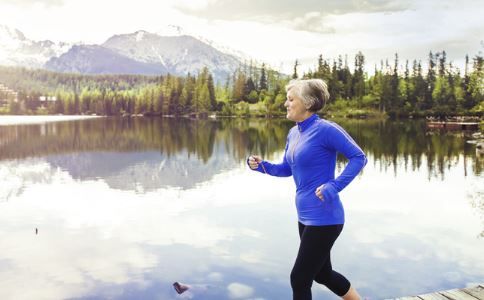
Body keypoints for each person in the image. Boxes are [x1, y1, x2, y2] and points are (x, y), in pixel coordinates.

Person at [247, 79, 367, 300]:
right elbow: (286, 169)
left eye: (291, 99)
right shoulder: (294, 134)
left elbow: (359, 157)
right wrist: (261, 166)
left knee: (299, 278)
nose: (286, 104)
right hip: (305, 217)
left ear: (308, 103)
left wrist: (334, 185)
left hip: (325, 217)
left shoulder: (326, 130)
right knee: (322, 274)